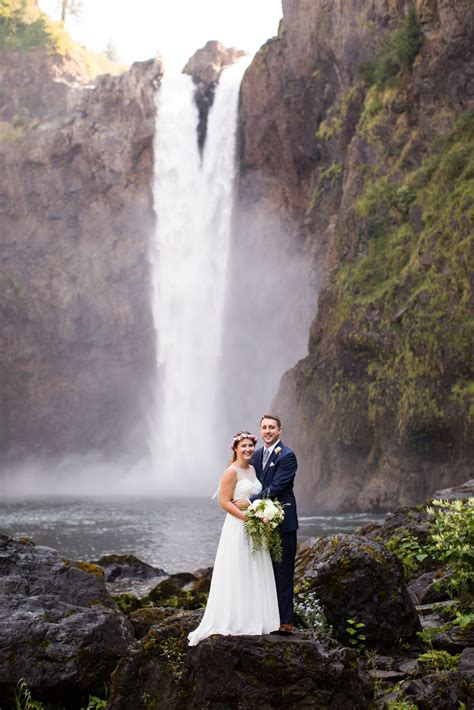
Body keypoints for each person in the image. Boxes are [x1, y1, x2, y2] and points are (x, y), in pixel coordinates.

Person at [187, 431, 280, 646]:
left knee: (255, 567)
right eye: (243, 446)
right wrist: (248, 518)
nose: (247, 449)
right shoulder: (231, 471)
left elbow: (254, 497)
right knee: (239, 568)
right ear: (235, 449)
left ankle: (259, 617)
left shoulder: (254, 469)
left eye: (250, 445)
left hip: (254, 527)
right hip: (238, 526)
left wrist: (259, 512)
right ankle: (236, 619)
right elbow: (224, 502)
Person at [234, 414, 298, 635]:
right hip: (261, 522)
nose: (268, 431)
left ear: (280, 430)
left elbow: (277, 486)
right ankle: (265, 618)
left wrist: (250, 502)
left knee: (283, 572)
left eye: (272, 427)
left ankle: (285, 622)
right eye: (264, 427)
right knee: (263, 572)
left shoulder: (287, 456)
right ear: (260, 431)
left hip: (283, 522)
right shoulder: (257, 455)